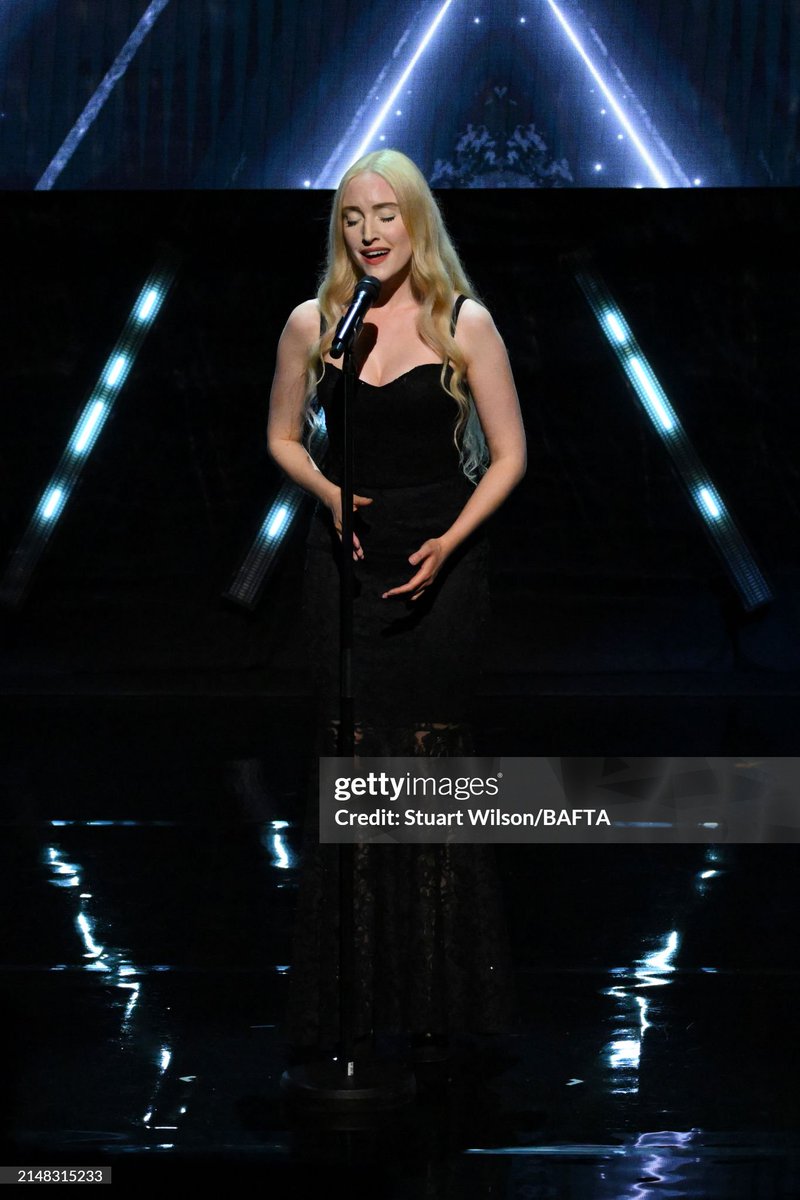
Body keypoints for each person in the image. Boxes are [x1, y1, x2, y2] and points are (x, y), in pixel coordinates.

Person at [267, 149, 526, 1054]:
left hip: (440, 558)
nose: (370, 233)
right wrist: (329, 495)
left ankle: (443, 1006)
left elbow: (510, 457)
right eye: (351, 217)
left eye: (385, 215)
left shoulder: (465, 321)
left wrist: (453, 544)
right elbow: (282, 439)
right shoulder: (318, 322)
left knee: (429, 766)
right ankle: (358, 1000)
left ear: (415, 221)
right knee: (352, 762)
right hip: (347, 559)